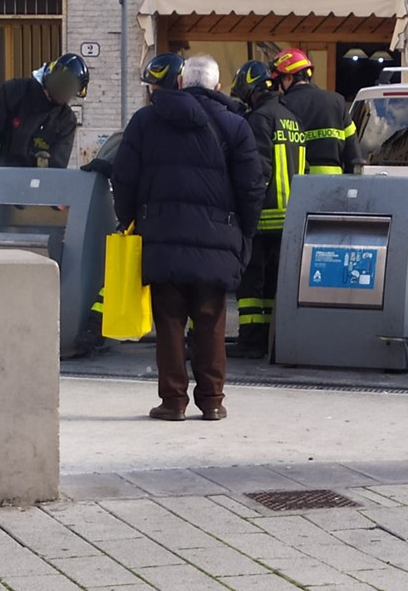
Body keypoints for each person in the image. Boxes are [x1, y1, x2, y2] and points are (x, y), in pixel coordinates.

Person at [111, 54, 265, 421]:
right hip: (218, 236)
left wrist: (129, 220)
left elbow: (124, 177)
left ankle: (173, 402)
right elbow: (252, 187)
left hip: (161, 236)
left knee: (168, 321)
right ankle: (212, 401)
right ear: (217, 87)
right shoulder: (235, 125)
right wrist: (244, 232)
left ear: (180, 82)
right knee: (211, 321)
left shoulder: (146, 120)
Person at [74, 53, 186, 358]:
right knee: (182, 287)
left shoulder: (143, 122)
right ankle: (183, 344)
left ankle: (94, 331)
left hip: (148, 216)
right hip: (186, 221)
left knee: (124, 275)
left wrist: (125, 215)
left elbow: (123, 163)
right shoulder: (202, 122)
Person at [227, 60, 306, 358]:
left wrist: (244, 214)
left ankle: (250, 340)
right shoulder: (291, 118)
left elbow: (256, 171)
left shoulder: (258, 120)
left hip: (263, 217)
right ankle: (271, 338)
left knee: (250, 285)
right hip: (289, 218)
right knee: (273, 283)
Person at [0, 53, 89, 192]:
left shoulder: (65, 120)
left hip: (29, 193)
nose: (64, 96)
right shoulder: (13, 92)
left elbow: (57, 168)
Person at [270, 47, 362, 175]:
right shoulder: (337, 102)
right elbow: (353, 153)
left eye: (279, 81)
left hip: (298, 184)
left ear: (288, 78)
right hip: (335, 186)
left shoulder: (283, 105)